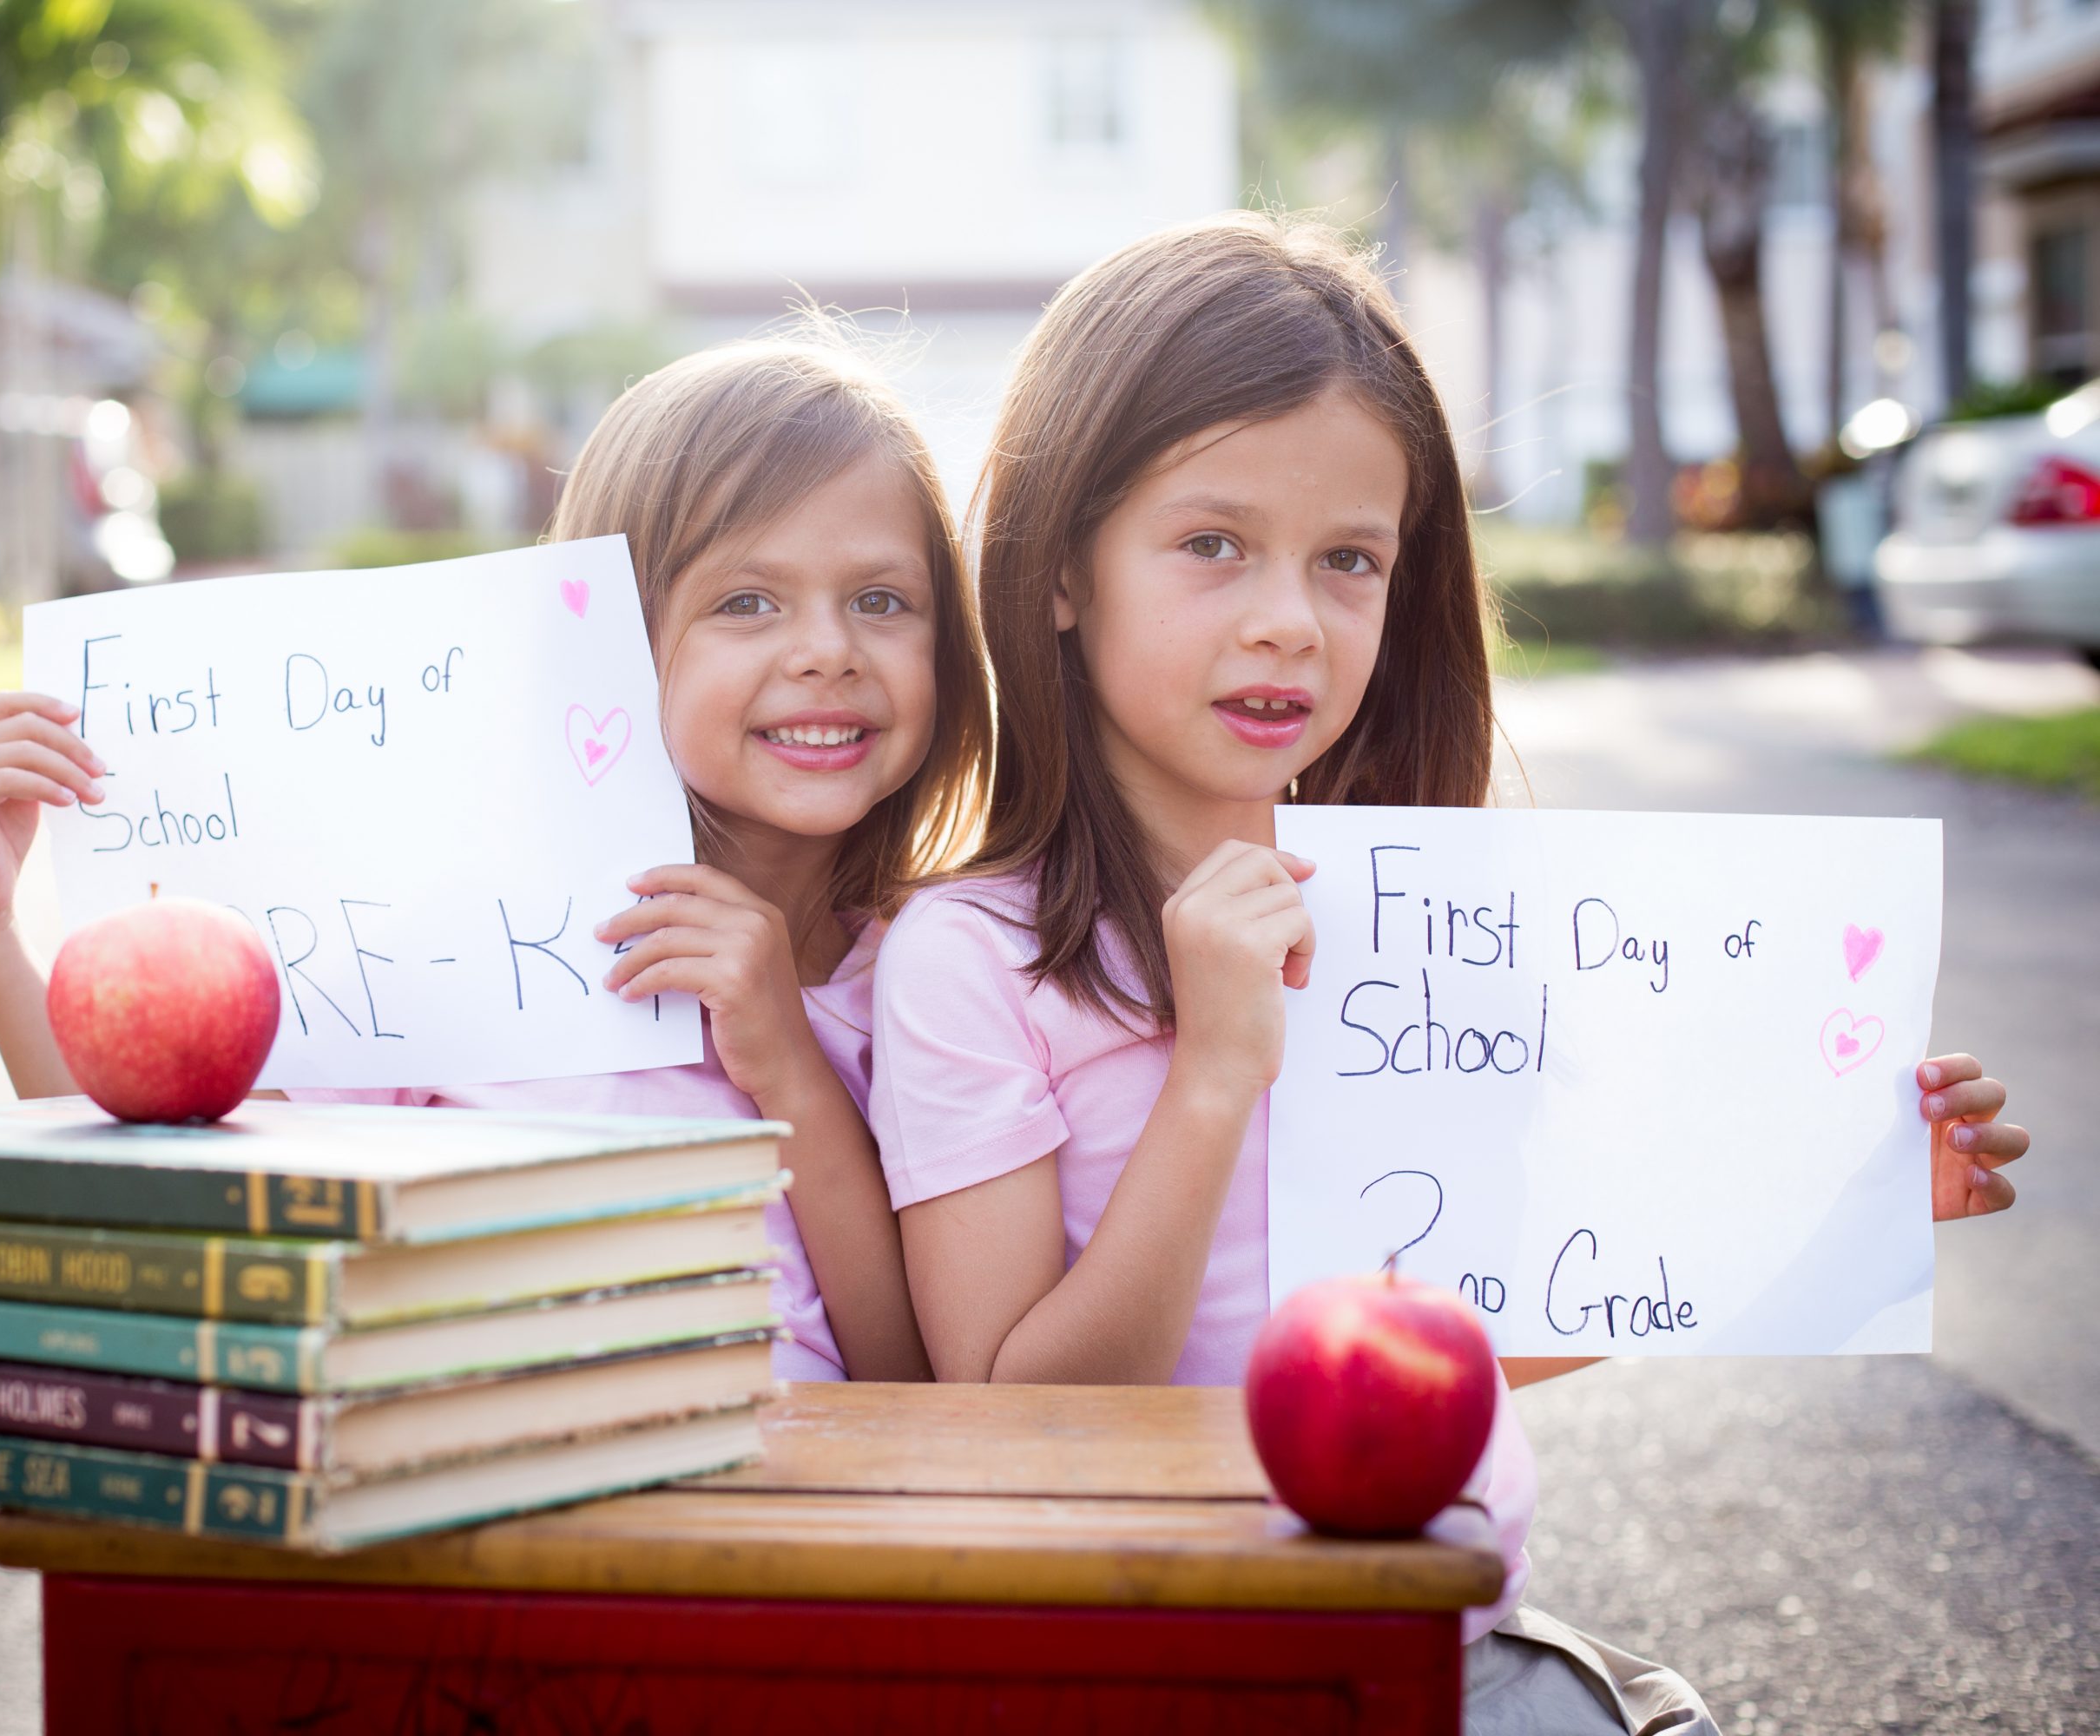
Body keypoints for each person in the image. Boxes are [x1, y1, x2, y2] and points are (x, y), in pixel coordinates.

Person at [866, 213, 2030, 1733]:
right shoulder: (977, 958)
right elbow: (1019, 1416)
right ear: (1063, 565)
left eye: (1349, 558)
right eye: (1213, 544)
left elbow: (1466, 1333)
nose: (1290, 615)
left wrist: (1839, 1194)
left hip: (1442, 1637)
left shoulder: (1422, 920)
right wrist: (1214, 1076)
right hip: (1152, 1664)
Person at [0, 338, 991, 1385]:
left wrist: (789, 1064)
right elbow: (196, 1211)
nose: (828, 649)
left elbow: (915, 1376)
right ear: (607, 637)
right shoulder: (465, 934)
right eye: (746, 601)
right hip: (484, 1518)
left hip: (786, 1531)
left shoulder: (935, 976)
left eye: (881, 599)